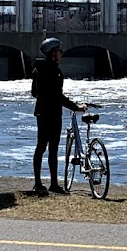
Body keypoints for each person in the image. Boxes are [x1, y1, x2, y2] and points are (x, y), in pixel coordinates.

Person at [30, 37, 86, 194]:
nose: (62, 53)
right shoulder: (53, 71)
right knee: (49, 148)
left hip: (45, 112)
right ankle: (49, 184)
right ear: (53, 53)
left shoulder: (39, 69)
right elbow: (57, 96)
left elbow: (34, 93)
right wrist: (75, 107)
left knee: (43, 147)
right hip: (50, 113)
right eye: (60, 51)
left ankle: (42, 183)